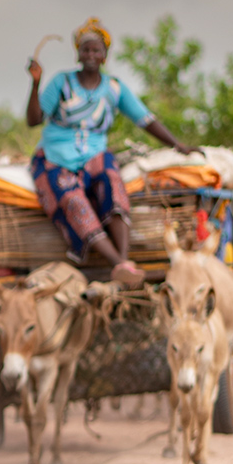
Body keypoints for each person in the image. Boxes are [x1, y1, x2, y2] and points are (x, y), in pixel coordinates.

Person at [25, 17, 194, 288]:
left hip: (92, 155)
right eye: (86, 50)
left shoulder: (113, 88)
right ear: (78, 53)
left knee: (112, 180)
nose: (91, 55)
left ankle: (123, 260)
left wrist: (177, 145)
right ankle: (119, 264)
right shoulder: (61, 83)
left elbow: (145, 119)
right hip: (57, 156)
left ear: (105, 56)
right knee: (73, 199)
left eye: (96, 50)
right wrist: (36, 84)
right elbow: (34, 120)